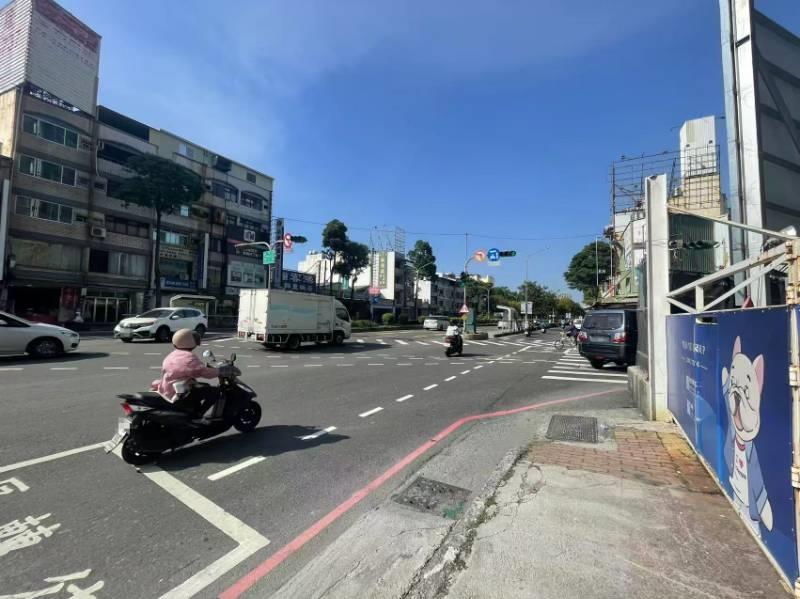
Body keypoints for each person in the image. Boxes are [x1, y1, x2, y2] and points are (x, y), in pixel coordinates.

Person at [151, 328, 222, 417]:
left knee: (203, 386)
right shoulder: (188, 357)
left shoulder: (173, 354)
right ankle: (198, 414)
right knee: (215, 392)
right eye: (194, 338)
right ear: (188, 340)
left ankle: (194, 409)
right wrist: (220, 371)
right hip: (177, 392)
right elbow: (203, 372)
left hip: (167, 388)